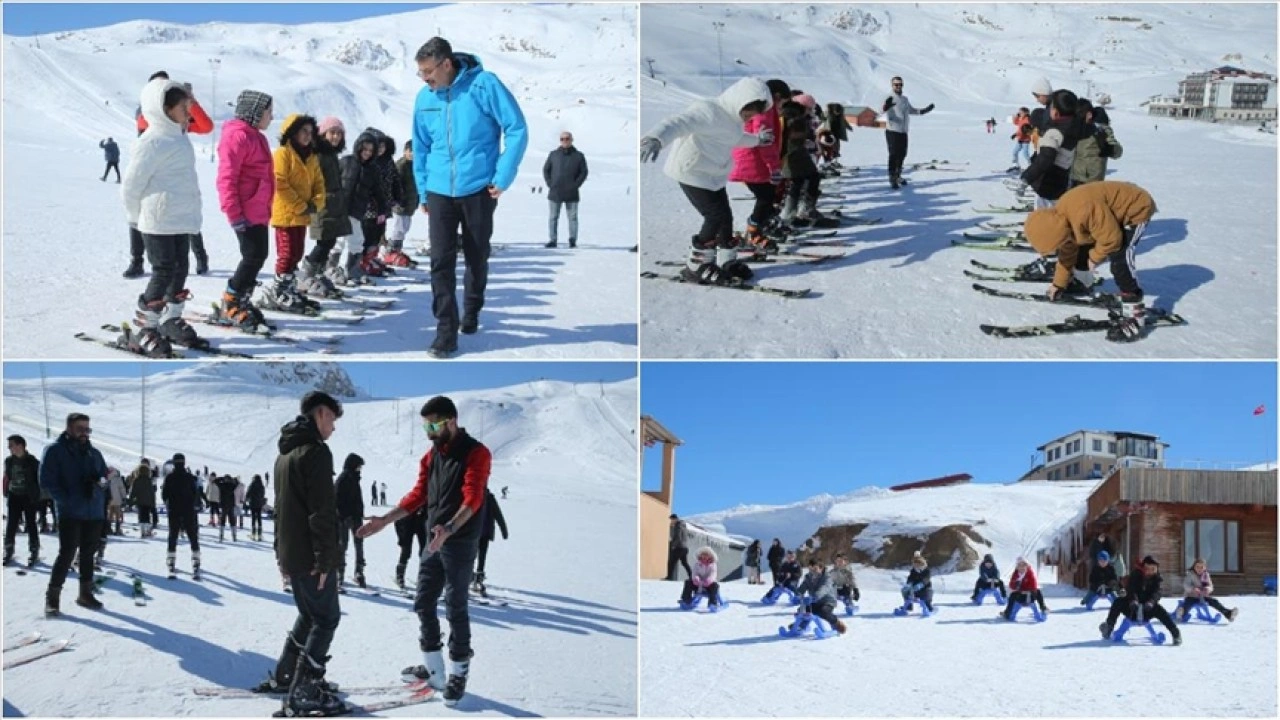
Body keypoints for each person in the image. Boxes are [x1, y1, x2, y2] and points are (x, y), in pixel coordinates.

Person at [357, 395, 492, 707]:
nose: (429, 431)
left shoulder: (476, 453)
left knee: (456, 604)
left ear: (451, 421)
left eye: (433, 425)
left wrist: (450, 528)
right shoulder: (431, 457)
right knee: (423, 602)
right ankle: (434, 669)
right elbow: (419, 495)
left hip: (458, 540)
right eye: (425, 426)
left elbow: (473, 497)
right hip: (433, 539)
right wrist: (385, 520)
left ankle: (458, 672)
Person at [411, 37, 529, 357]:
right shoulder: (424, 99)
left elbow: (516, 128)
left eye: (428, 71)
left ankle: (472, 309)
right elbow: (420, 148)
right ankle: (446, 332)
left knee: (477, 255)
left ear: (446, 64)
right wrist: (423, 189)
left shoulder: (484, 84)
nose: (425, 78)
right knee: (440, 261)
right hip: (438, 190)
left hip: (479, 188)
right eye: (420, 73)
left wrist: (503, 176)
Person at [259, 391, 346, 715]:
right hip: (312, 555)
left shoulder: (284, 454)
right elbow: (321, 511)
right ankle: (304, 692)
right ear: (320, 413)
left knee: (310, 615)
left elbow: (281, 509)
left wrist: (281, 555)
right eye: (332, 420)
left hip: (293, 553)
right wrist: (326, 558)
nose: (333, 428)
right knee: (326, 618)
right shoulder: (315, 452)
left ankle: (286, 677)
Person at [640, 77, 773, 286]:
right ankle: (696, 265)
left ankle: (726, 260)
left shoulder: (735, 122)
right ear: (739, 100)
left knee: (725, 216)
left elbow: (736, 139)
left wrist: (758, 140)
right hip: (691, 171)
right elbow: (678, 123)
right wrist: (656, 138)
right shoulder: (708, 111)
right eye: (748, 112)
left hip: (714, 175)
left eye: (753, 115)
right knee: (715, 215)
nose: (749, 117)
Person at [120, 77, 204, 357]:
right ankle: (145, 326)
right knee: (162, 271)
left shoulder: (179, 137)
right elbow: (131, 184)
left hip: (179, 219)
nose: (188, 111)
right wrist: (135, 217)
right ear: (164, 109)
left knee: (181, 267)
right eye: (183, 106)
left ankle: (169, 319)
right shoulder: (152, 141)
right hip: (157, 221)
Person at [1023, 180, 1157, 341]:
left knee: (1120, 260)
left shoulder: (1084, 210)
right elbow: (1067, 254)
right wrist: (1058, 284)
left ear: (1060, 234)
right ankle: (1082, 282)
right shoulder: (1062, 221)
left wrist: (1094, 258)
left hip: (1135, 210)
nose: (1058, 249)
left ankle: (1135, 314)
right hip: (1109, 217)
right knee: (1079, 249)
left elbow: (1112, 240)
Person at [124, 71, 213, 279]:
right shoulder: (149, 115)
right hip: (154, 174)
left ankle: (200, 257)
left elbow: (205, 126)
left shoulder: (177, 114)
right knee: (141, 218)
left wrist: (191, 102)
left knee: (187, 216)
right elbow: (146, 132)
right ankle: (137, 260)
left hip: (177, 174)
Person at [215, 89, 275, 331]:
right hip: (245, 212)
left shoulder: (257, 136)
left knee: (258, 256)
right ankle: (230, 302)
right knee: (252, 257)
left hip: (259, 209)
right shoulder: (237, 136)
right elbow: (226, 178)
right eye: (267, 112)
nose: (271, 117)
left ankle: (242, 299)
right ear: (254, 113)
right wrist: (234, 213)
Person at [40, 413, 108, 616]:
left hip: (93, 512)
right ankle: (52, 599)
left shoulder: (93, 453)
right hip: (70, 511)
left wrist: (99, 483)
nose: (85, 433)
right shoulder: (55, 451)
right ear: (69, 428)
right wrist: (66, 500)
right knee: (67, 554)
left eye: (88, 429)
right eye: (80, 429)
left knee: (88, 555)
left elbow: (103, 475)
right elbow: (47, 481)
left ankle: (85, 594)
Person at [261, 114, 325, 315]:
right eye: (303, 131)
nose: (307, 136)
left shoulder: (311, 156)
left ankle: (288, 288)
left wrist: (316, 202)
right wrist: (299, 206)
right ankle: (276, 291)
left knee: (297, 253)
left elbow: (319, 183)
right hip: (286, 214)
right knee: (286, 253)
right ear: (292, 132)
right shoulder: (282, 154)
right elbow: (279, 182)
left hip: (303, 214)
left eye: (310, 132)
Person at [729, 78, 788, 249]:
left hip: (749, 159)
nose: (781, 108)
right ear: (776, 96)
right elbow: (765, 141)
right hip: (751, 160)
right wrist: (774, 167)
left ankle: (762, 225)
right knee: (766, 196)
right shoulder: (765, 109)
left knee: (768, 195)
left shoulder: (761, 105)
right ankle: (753, 231)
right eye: (783, 103)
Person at [328, 129, 387, 287]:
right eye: (364, 149)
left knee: (357, 240)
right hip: (339, 209)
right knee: (338, 241)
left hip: (356, 211)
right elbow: (331, 182)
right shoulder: (346, 161)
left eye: (370, 151)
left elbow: (379, 192)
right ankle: (331, 268)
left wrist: (383, 209)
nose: (367, 153)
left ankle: (352, 270)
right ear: (358, 147)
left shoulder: (372, 170)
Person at [297, 116, 347, 300]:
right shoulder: (318, 154)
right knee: (324, 241)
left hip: (333, 205)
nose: (335, 137)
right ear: (323, 134)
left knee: (330, 241)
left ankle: (317, 272)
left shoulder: (331, 154)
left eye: (339, 134)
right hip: (323, 204)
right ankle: (307, 274)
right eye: (332, 133)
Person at [1099, 555, 1181, 646]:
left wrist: (1151, 602)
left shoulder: (1157, 579)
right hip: (1132, 608)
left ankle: (1176, 634)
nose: (1150, 571)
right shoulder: (1136, 575)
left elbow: (1157, 593)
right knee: (1118, 602)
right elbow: (1131, 589)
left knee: (1162, 612)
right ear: (1143, 568)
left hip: (1148, 608)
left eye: (1153, 569)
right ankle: (1109, 627)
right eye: (1148, 568)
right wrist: (1133, 600)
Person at [1020, 89, 1080, 209]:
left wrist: (1026, 178)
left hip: (1047, 182)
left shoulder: (1054, 133)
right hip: (1062, 179)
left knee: (1045, 216)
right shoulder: (1075, 125)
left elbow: (1045, 158)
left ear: (1056, 113)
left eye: (1051, 107)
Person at [881, 75, 935, 189]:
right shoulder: (889, 97)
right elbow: (881, 110)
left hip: (903, 131)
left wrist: (924, 111)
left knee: (902, 154)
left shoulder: (904, 99)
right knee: (893, 154)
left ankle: (898, 175)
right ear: (892, 85)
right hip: (892, 131)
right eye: (896, 84)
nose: (898, 86)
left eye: (900, 84)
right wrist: (886, 106)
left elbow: (911, 110)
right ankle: (892, 177)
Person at [542, 131, 589, 248]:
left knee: (572, 218)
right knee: (553, 217)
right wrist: (550, 183)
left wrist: (576, 185)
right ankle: (553, 240)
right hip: (555, 192)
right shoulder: (553, 154)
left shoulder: (579, 156)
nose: (565, 141)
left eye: (567, 139)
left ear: (572, 140)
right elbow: (546, 170)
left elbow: (584, 172)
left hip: (571, 192)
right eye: (562, 139)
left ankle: (573, 240)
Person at [4, 434, 42, 567]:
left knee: (31, 524)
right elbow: (8, 476)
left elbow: (39, 480)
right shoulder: (9, 461)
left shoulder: (33, 462)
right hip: (14, 495)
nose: (9, 448)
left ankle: (34, 550)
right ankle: (8, 550)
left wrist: (37, 497)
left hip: (28, 497)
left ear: (20, 445)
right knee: (11, 524)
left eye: (11, 445)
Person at [161, 453, 201, 577]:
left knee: (173, 535)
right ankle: (196, 561)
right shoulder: (190, 477)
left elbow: (164, 495)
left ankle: (171, 561)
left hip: (174, 510)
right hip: (188, 511)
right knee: (192, 535)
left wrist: (170, 503)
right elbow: (196, 494)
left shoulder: (169, 477)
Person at [1070, 98, 1123, 187]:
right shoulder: (1074, 128)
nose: (1077, 118)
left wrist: (1109, 148)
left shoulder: (1101, 130)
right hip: (1073, 178)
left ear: (1089, 115)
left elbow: (1118, 152)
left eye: (1080, 114)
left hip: (1091, 182)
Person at [334, 453, 367, 589]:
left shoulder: (354, 478)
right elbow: (337, 500)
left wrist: (359, 513)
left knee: (358, 545)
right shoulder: (343, 479)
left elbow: (357, 500)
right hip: (345, 519)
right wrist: (344, 515)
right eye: (359, 466)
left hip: (356, 518)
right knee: (343, 545)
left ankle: (359, 571)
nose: (360, 469)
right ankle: (340, 572)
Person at [384, 140, 419, 265]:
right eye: (410, 151)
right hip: (401, 204)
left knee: (405, 227)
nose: (413, 154)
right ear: (405, 151)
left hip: (410, 204)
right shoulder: (401, 165)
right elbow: (396, 184)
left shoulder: (416, 165)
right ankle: (391, 250)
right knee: (399, 228)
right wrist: (399, 198)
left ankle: (397, 250)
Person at [796, 558, 847, 634]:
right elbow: (803, 586)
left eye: (815, 569)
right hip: (815, 601)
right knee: (802, 610)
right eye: (810, 569)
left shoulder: (827, 577)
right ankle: (803, 624)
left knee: (823, 612)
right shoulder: (808, 577)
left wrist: (816, 596)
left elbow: (824, 588)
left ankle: (836, 623)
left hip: (828, 601)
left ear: (821, 568)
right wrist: (798, 593)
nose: (812, 571)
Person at [1178, 558, 1238, 622]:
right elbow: (1186, 584)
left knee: (1215, 602)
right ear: (1194, 567)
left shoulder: (1206, 575)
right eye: (1197, 567)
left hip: (1203, 597)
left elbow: (1210, 586)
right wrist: (1193, 589)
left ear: (1205, 568)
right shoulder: (1190, 574)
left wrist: (1207, 589)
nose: (1199, 569)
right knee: (1188, 604)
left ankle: (1228, 614)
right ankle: (1181, 613)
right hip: (1191, 596)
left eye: (1201, 567)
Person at [473, 488, 507, 590]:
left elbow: (498, 515)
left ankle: (478, 578)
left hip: (485, 534)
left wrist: (504, 530)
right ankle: (469, 577)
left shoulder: (490, 499)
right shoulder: (473, 497)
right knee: (470, 557)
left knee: (482, 557)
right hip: (472, 534)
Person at [394, 505, 428, 590]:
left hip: (421, 525)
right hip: (407, 524)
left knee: (424, 552)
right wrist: (401, 539)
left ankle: (423, 577)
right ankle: (400, 575)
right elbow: (397, 521)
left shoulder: (429, 502)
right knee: (406, 551)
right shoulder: (410, 501)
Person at [126, 460, 156, 538]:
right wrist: (153, 502)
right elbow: (152, 492)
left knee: (141, 515)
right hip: (148, 501)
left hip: (140, 501)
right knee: (147, 516)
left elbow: (133, 491)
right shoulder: (149, 481)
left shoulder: (136, 480)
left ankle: (142, 531)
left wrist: (131, 500)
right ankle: (147, 530)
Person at [214, 473, 240, 541]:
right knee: (232, 520)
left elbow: (215, 481)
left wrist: (222, 478)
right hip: (231, 505)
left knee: (222, 520)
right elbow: (237, 482)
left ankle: (221, 536)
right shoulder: (232, 486)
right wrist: (233, 479)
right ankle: (234, 536)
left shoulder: (222, 485)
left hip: (223, 505)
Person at [667, 513, 691, 581]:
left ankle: (669, 577)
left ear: (675, 519)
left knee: (671, 562)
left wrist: (674, 545)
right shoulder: (683, 525)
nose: (671, 521)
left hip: (679, 547)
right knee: (684, 563)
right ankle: (691, 576)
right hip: (685, 547)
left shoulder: (678, 525)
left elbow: (677, 536)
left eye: (672, 519)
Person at [1009, 108, 1033, 172]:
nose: (1019, 114)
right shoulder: (1021, 119)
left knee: (1025, 153)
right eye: (1019, 112)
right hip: (1020, 139)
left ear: (1026, 113)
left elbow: (1024, 130)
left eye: (1021, 112)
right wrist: (1017, 116)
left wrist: (1016, 134)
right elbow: (1015, 122)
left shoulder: (1027, 120)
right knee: (1015, 152)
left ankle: (1031, 165)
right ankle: (1016, 165)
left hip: (1025, 139)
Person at [246, 473, 267, 541]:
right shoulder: (261, 485)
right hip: (259, 504)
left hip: (252, 503)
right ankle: (260, 534)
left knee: (253, 518)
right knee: (259, 518)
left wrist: (246, 499)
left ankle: (253, 533)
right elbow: (263, 494)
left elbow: (248, 493)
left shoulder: (252, 485)